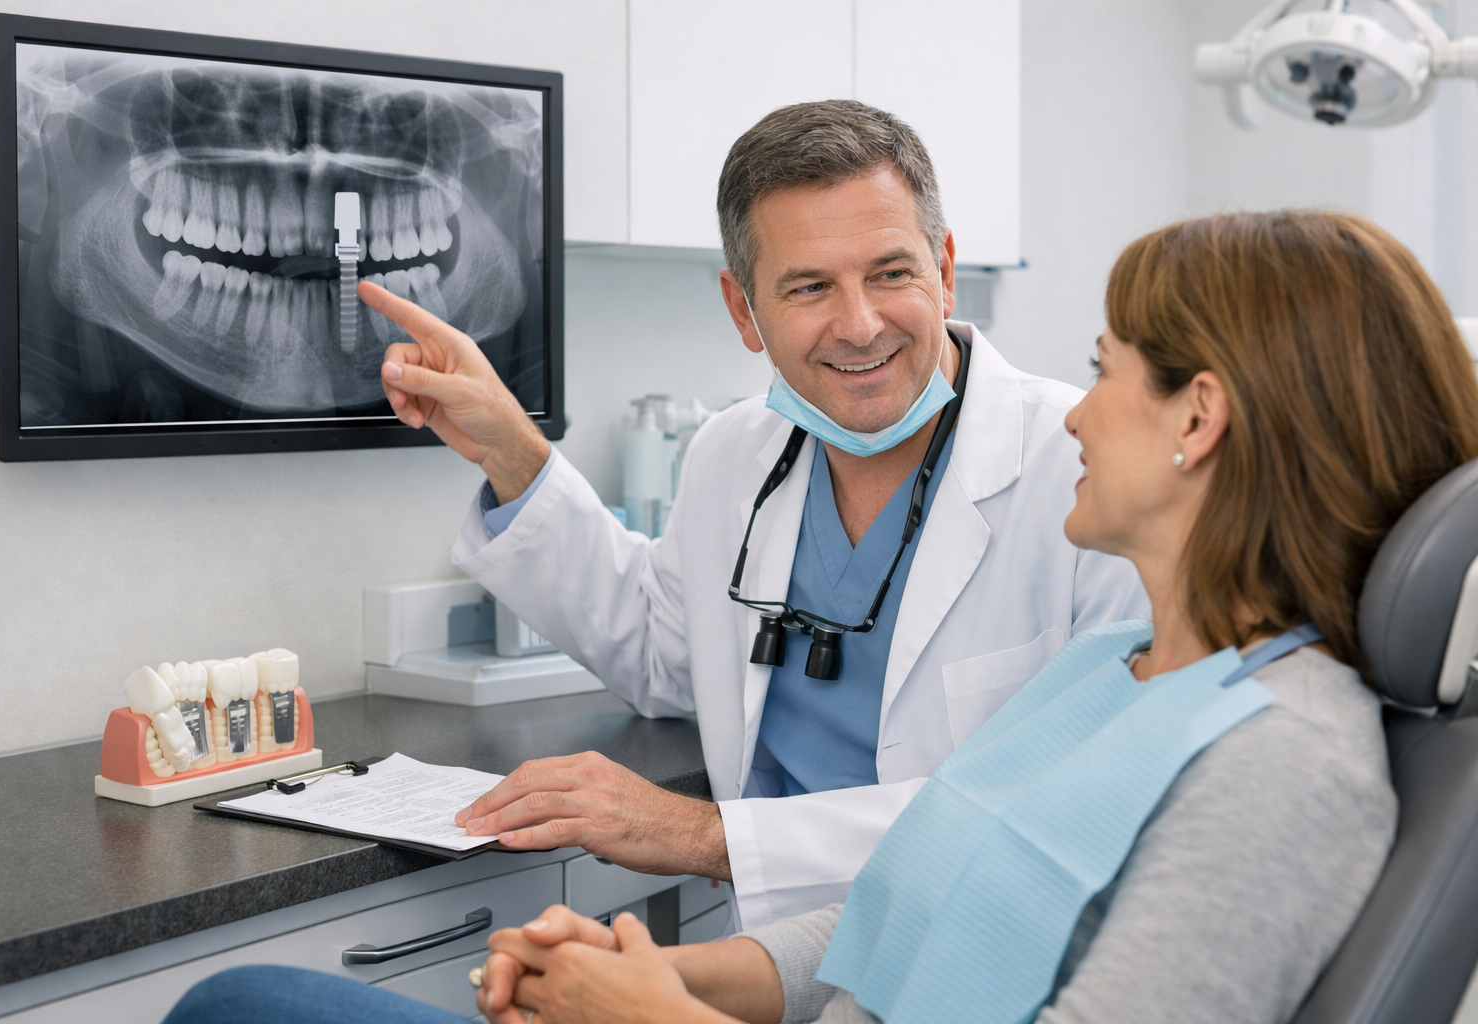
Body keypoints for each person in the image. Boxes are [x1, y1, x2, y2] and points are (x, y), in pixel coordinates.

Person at [444, 210, 1478, 1024]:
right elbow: (907, 917)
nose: (1076, 407)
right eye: (809, 285)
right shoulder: (1115, 670)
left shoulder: (1285, 766)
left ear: (1199, 418)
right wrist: (662, 976)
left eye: (1106, 366)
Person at [359, 99, 1146, 929]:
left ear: (944, 268)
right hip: (774, 968)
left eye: (891, 272)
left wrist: (709, 836)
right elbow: (665, 657)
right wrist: (513, 454)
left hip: (977, 968)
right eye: (810, 287)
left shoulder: (1083, 467)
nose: (860, 323)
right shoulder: (734, 454)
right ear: (743, 310)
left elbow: (1076, 806)